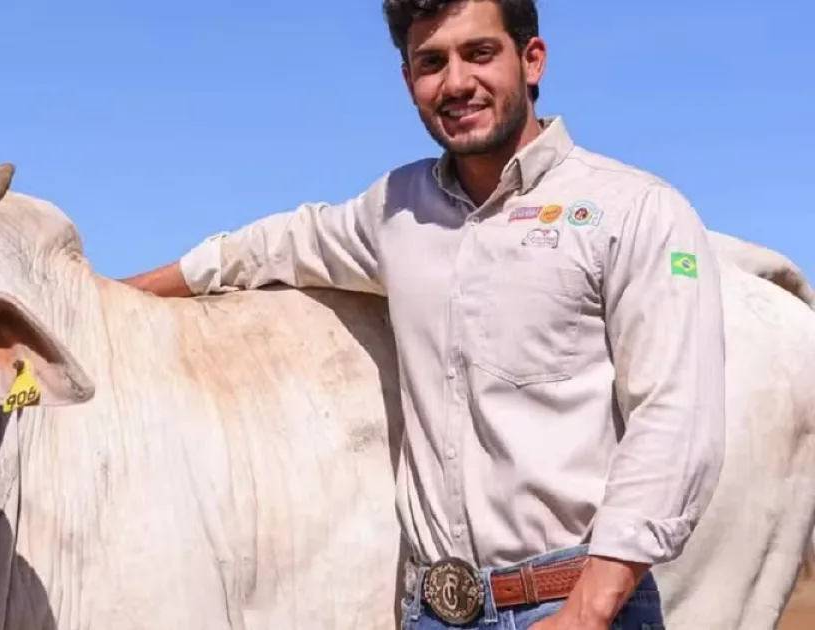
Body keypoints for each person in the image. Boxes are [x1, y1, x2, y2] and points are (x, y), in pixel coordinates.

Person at [120, 0, 726, 629]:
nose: (457, 82)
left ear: (532, 60)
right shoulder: (396, 210)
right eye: (431, 62)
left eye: (480, 53)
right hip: (435, 612)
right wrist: (102, 292)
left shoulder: (634, 210)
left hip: (576, 604)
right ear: (409, 81)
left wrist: (590, 607)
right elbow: (262, 249)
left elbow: (676, 418)